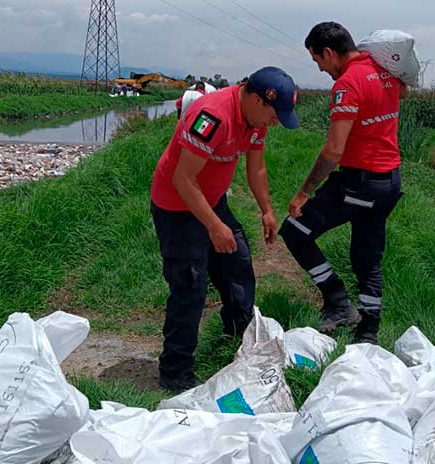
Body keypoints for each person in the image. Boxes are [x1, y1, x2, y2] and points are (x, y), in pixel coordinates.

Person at [151, 67, 299, 392]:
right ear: (258, 99)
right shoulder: (212, 116)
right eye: (275, 115)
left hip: (211, 199)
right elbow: (182, 179)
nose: (274, 123)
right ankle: (175, 372)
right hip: (176, 206)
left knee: (238, 266)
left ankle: (236, 343)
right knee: (190, 286)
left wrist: (267, 210)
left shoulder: (256, 119)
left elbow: (256, 166)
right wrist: (215, 227)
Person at [279, 22, 407, 344]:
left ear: (329, 52)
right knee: (367, 255)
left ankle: (337, 301)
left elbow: (334, 150)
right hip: (389, 183)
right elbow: (402, 91)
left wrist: (304, 191)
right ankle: (368, 332)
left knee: (295, 231)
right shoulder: (385, 72)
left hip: (359, 184)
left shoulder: (347, 84)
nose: (321, 69)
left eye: (318, 61)